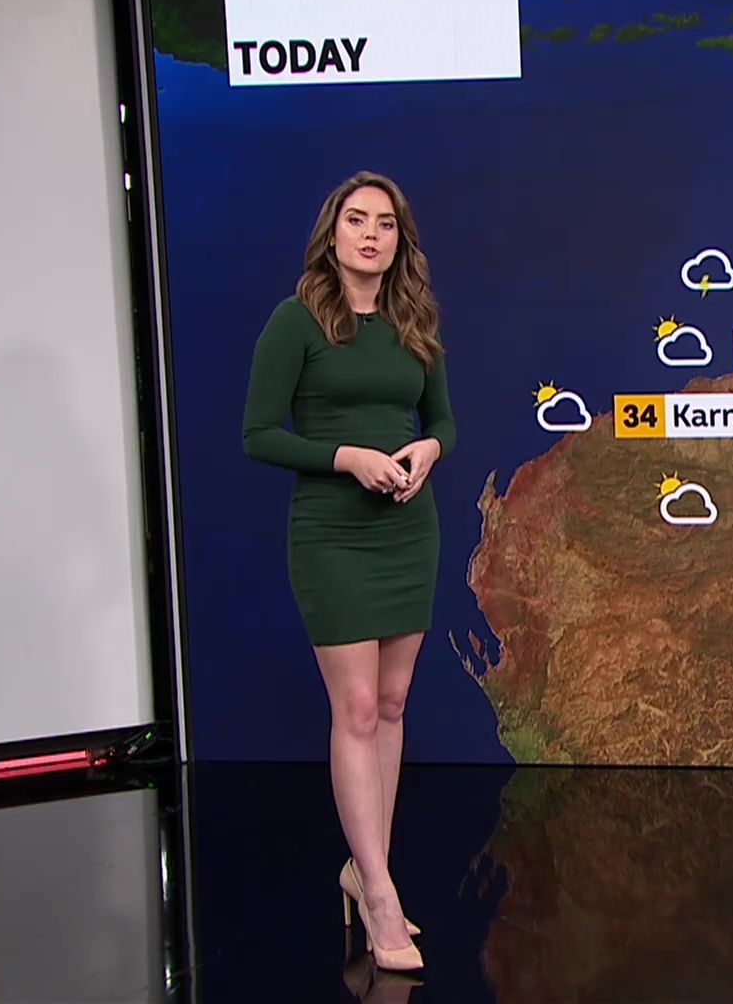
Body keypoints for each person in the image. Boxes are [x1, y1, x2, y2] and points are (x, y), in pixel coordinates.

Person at [241, 171, 455, 973]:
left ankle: (367, 870)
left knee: (393, 703)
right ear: (332, 232)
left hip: (407, 531)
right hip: (333, 533)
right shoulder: (295, 322)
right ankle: (380, 896)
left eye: (386, 223)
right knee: (357, 708)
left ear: (401, 240)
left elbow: (444, 420)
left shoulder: (414, 322)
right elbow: (259, 434)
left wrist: (428, 450)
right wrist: (346, 457)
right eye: (357, 220)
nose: (371, 234)